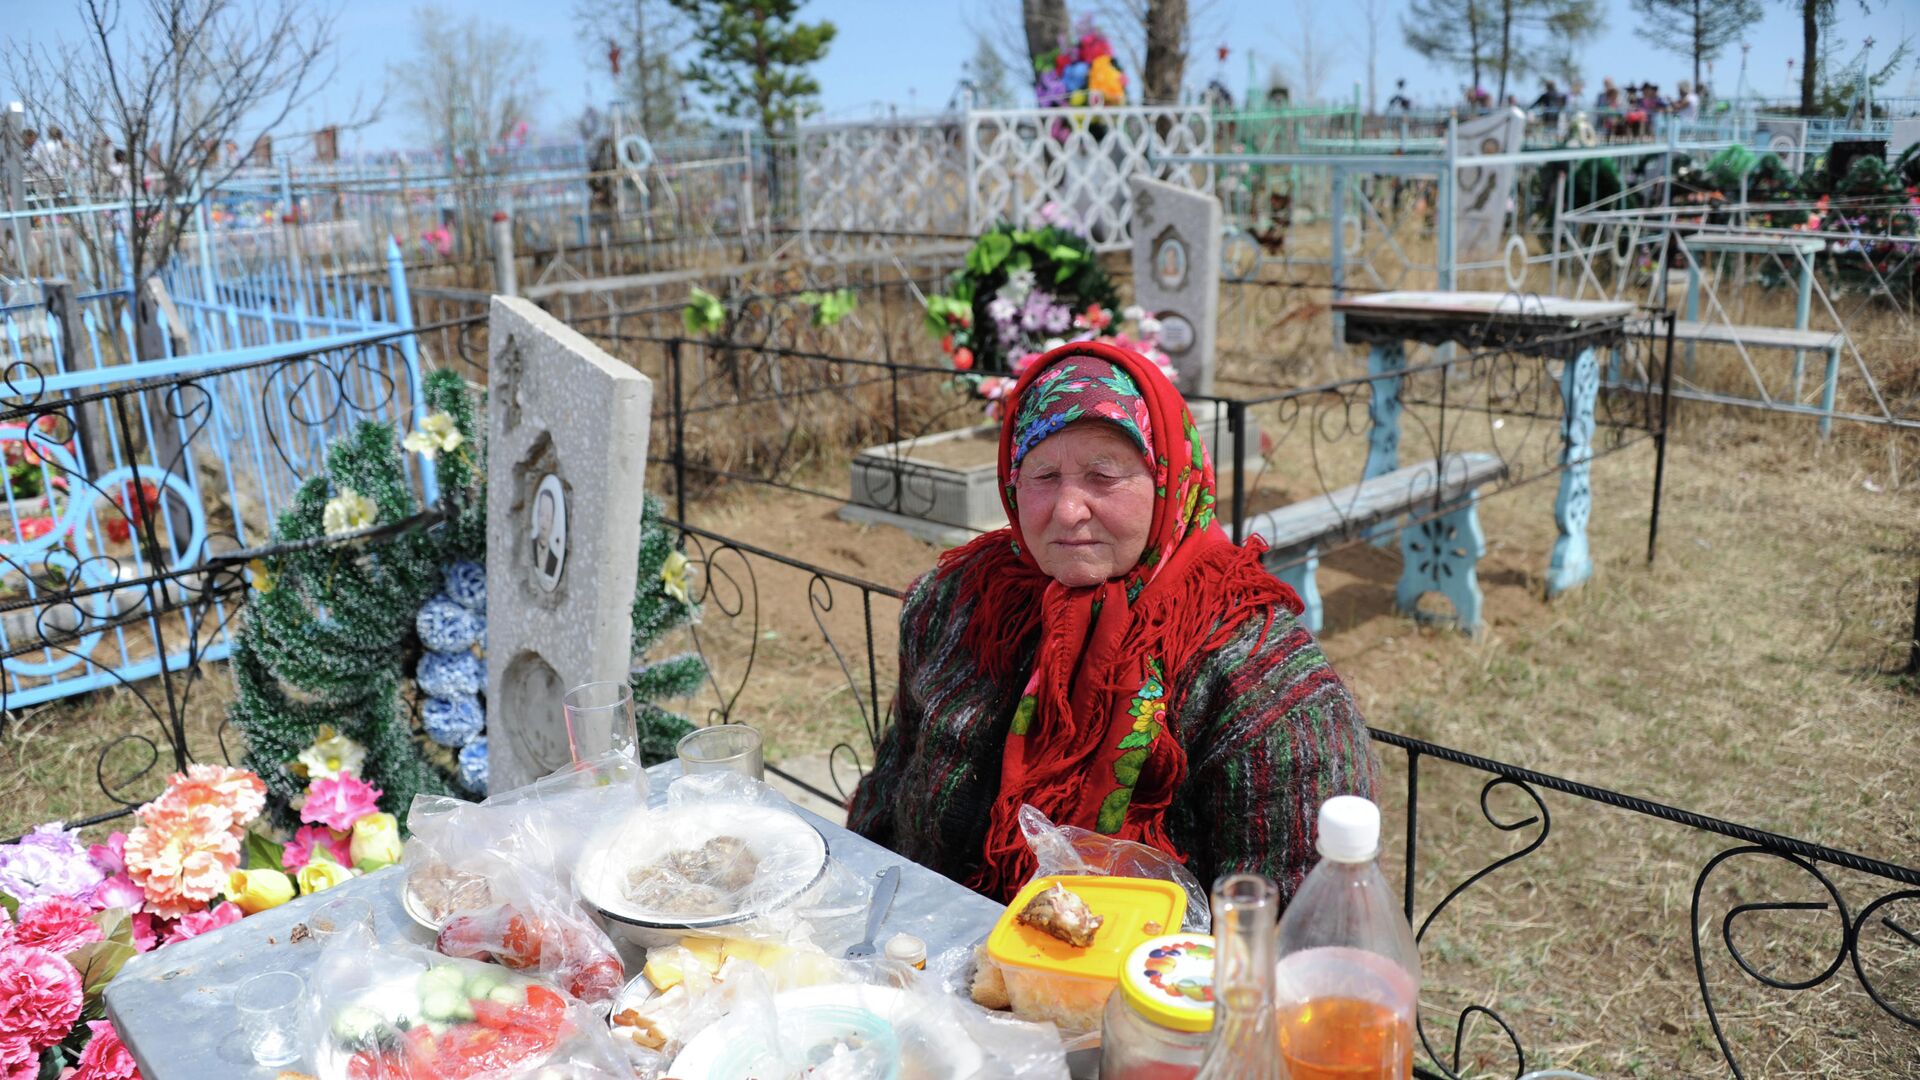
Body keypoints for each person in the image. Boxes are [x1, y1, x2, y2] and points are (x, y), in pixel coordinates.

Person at [848, 342, 1379, 903]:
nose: (1068, 509)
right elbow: (885, 802)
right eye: (1044, 475)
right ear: (1010, 482)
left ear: (1169, 480)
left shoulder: (1259, 678)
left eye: (1103, 475)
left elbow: (1289, 928)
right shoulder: (957, 603)